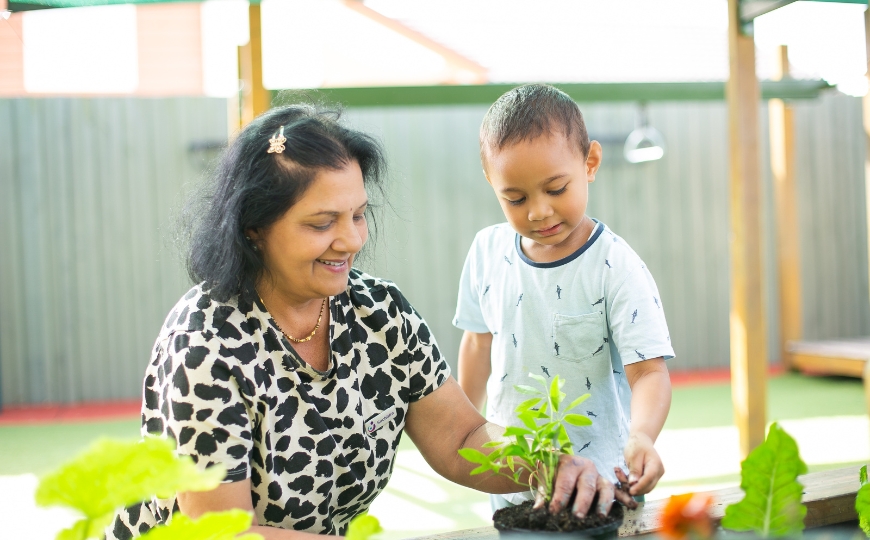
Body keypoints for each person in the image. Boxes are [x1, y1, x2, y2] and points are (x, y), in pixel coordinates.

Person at [108, 103, 636, 540]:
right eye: (322, 223)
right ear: (254, 228)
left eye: (358, 215)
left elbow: (461, 436)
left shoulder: (379, 312)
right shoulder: (205, 346)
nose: (352, 239)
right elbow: (221, 531)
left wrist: (548, 465)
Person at [453, 84, 674, 511]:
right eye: (515, 198)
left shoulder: (616, 267)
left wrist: (643, 435)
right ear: (491, 182)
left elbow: (649, 371)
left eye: (555, 189)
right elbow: (478, 343)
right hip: (513, 480)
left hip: (602, 487)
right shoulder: (485, 252)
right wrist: (465, 427)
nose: (538, 211)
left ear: (590, 163)